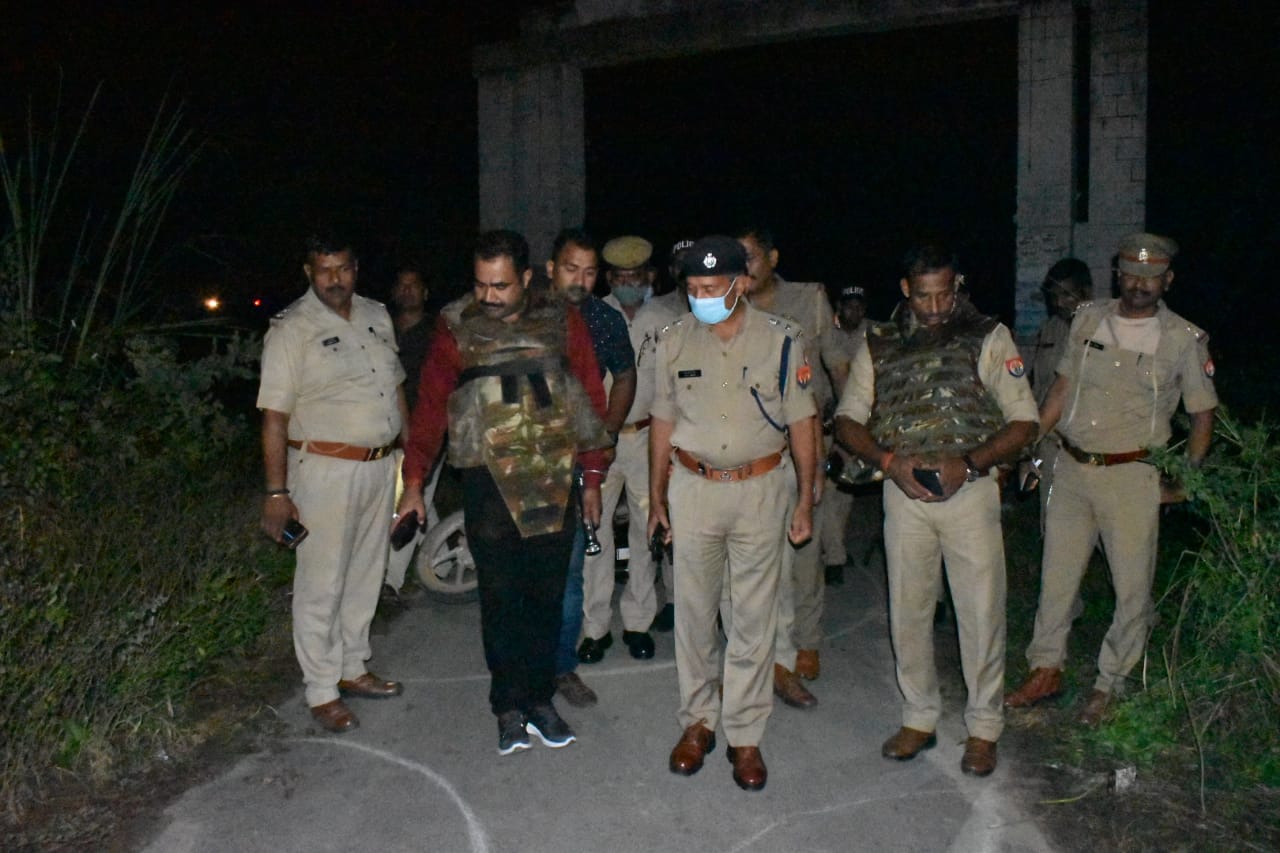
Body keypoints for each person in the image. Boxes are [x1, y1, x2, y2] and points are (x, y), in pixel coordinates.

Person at [398, 229, 614, 755]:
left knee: (546, 596)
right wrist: (414, 483)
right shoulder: (455, 325)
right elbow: (430, 409)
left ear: (526, 278)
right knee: (500, 598)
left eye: (500, 286)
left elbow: (589, 395)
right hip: (487, 483)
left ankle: (540, 699)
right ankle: (508, 706)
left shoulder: (563, 320)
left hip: (551, 475)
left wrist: (591, 477)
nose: (488, 296)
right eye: (480, 285)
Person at [833, 240, 1037, 777]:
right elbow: (847, 420)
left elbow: (1024, 422)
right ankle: (918, 717)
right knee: (909, 610)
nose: (935, 307)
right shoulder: (879, 343)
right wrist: (890, 462)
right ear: (906, 290)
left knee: (981, 613)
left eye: (944, 294)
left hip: (970, 493)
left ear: (957, 286)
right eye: (923, 296)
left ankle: (983, 728)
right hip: (904, 495)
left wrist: (967, 464)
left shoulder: (987, 336)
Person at [1004, 233, 1217, 726]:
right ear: (1118, 274)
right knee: (1056, 581)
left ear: (1168, 280)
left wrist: (1187, 481)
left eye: (1151, 276)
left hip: (1131, 476)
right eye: (1131, 274)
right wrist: (1030, 448)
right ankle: (1045, 669)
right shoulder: (1088, 319)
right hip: (1071, 468)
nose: (1140, 284)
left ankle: (1110, 684)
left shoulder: (1183, 339)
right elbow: (1060, 391)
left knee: (1132, 589)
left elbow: (1202, 414)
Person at [649, 235, 817, 792]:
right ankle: (698, 721)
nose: (701, 298)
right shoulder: (673, 341)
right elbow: (662, 422)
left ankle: (745, 734)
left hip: (761, 489)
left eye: (712, 288)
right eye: (693, 289)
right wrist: (656, 497)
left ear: (740, 283)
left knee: (752, 618)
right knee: (694, 613)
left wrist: (805, 498)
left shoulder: (783, 341)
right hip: (693, 489)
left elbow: (802, 421)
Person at [257, 233, 407, 734]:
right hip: (324, 469)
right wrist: (277, 493)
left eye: (342, 268)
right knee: (322, 582)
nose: (334, 279)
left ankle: (352, 666)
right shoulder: (291, 329)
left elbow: (396, 389)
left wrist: (409, 457)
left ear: (355, 268)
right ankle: (321, 689)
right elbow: (274, 417)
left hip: (380, 464)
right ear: (308, 272)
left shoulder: (376, 315)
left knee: (367, 571)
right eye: (324, 270)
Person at [736, 226, 836, 700]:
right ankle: (766, 650)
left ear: (773, 257)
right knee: (758, 556)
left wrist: (842, 430)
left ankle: (806, 642)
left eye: (751, 257)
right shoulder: (729, 307)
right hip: (756, 449)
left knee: (804, 550)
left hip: (808, 437)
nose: (744, 268)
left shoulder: (807, 300)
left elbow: (837, 365)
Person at [542, 228, 636, 708]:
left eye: (589, 271)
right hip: (520, 464)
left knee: (571, 575)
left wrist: (607, 434)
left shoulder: (603, 319)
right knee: (520, 578)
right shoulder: (521, 314)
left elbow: (624, 375)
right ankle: (520, 674)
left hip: (577, 463)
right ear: (550, 268)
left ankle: (562, 667)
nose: (579, 280)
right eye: (570, 268)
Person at [572, 234, 662, 674]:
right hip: (598, 440)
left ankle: (638, 622)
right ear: (609, 278)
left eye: (636, 276)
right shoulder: (591, 314)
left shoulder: (667, 319)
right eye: (620, 277)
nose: (628, 284)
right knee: (595, 529)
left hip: (647, 438)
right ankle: (594, 626)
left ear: (649, 276)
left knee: (647, 529)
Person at [382, 263, 436, 605]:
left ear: (425, 292)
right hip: (385, 432)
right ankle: (445, 554)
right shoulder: (380, 327)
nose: (407, 291)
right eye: (401, 285)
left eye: (414, 284)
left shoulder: (437, 332)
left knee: (408, 498)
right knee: (417, 498)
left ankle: (391, 579)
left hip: (426, 431)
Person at [1021, 259, 1091, 522]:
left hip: (1089, 449)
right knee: (1052, 524)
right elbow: (1038, 385)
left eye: (1067, 294)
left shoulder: (1104, 330)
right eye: (1054, 296)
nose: (1060, 302)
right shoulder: (1050, 329)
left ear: (1086, 291)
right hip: (1050, 445)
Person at [821, 284, 877, 587]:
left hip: (860, 425)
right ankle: (834, 557)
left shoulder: (873, 333)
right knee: (829, 487)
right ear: (839, 307)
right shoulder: (827, 333)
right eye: (849, 305)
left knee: (845, 491)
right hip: (828, 425)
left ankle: (835, 548)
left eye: (859, 306)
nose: (854, 311)